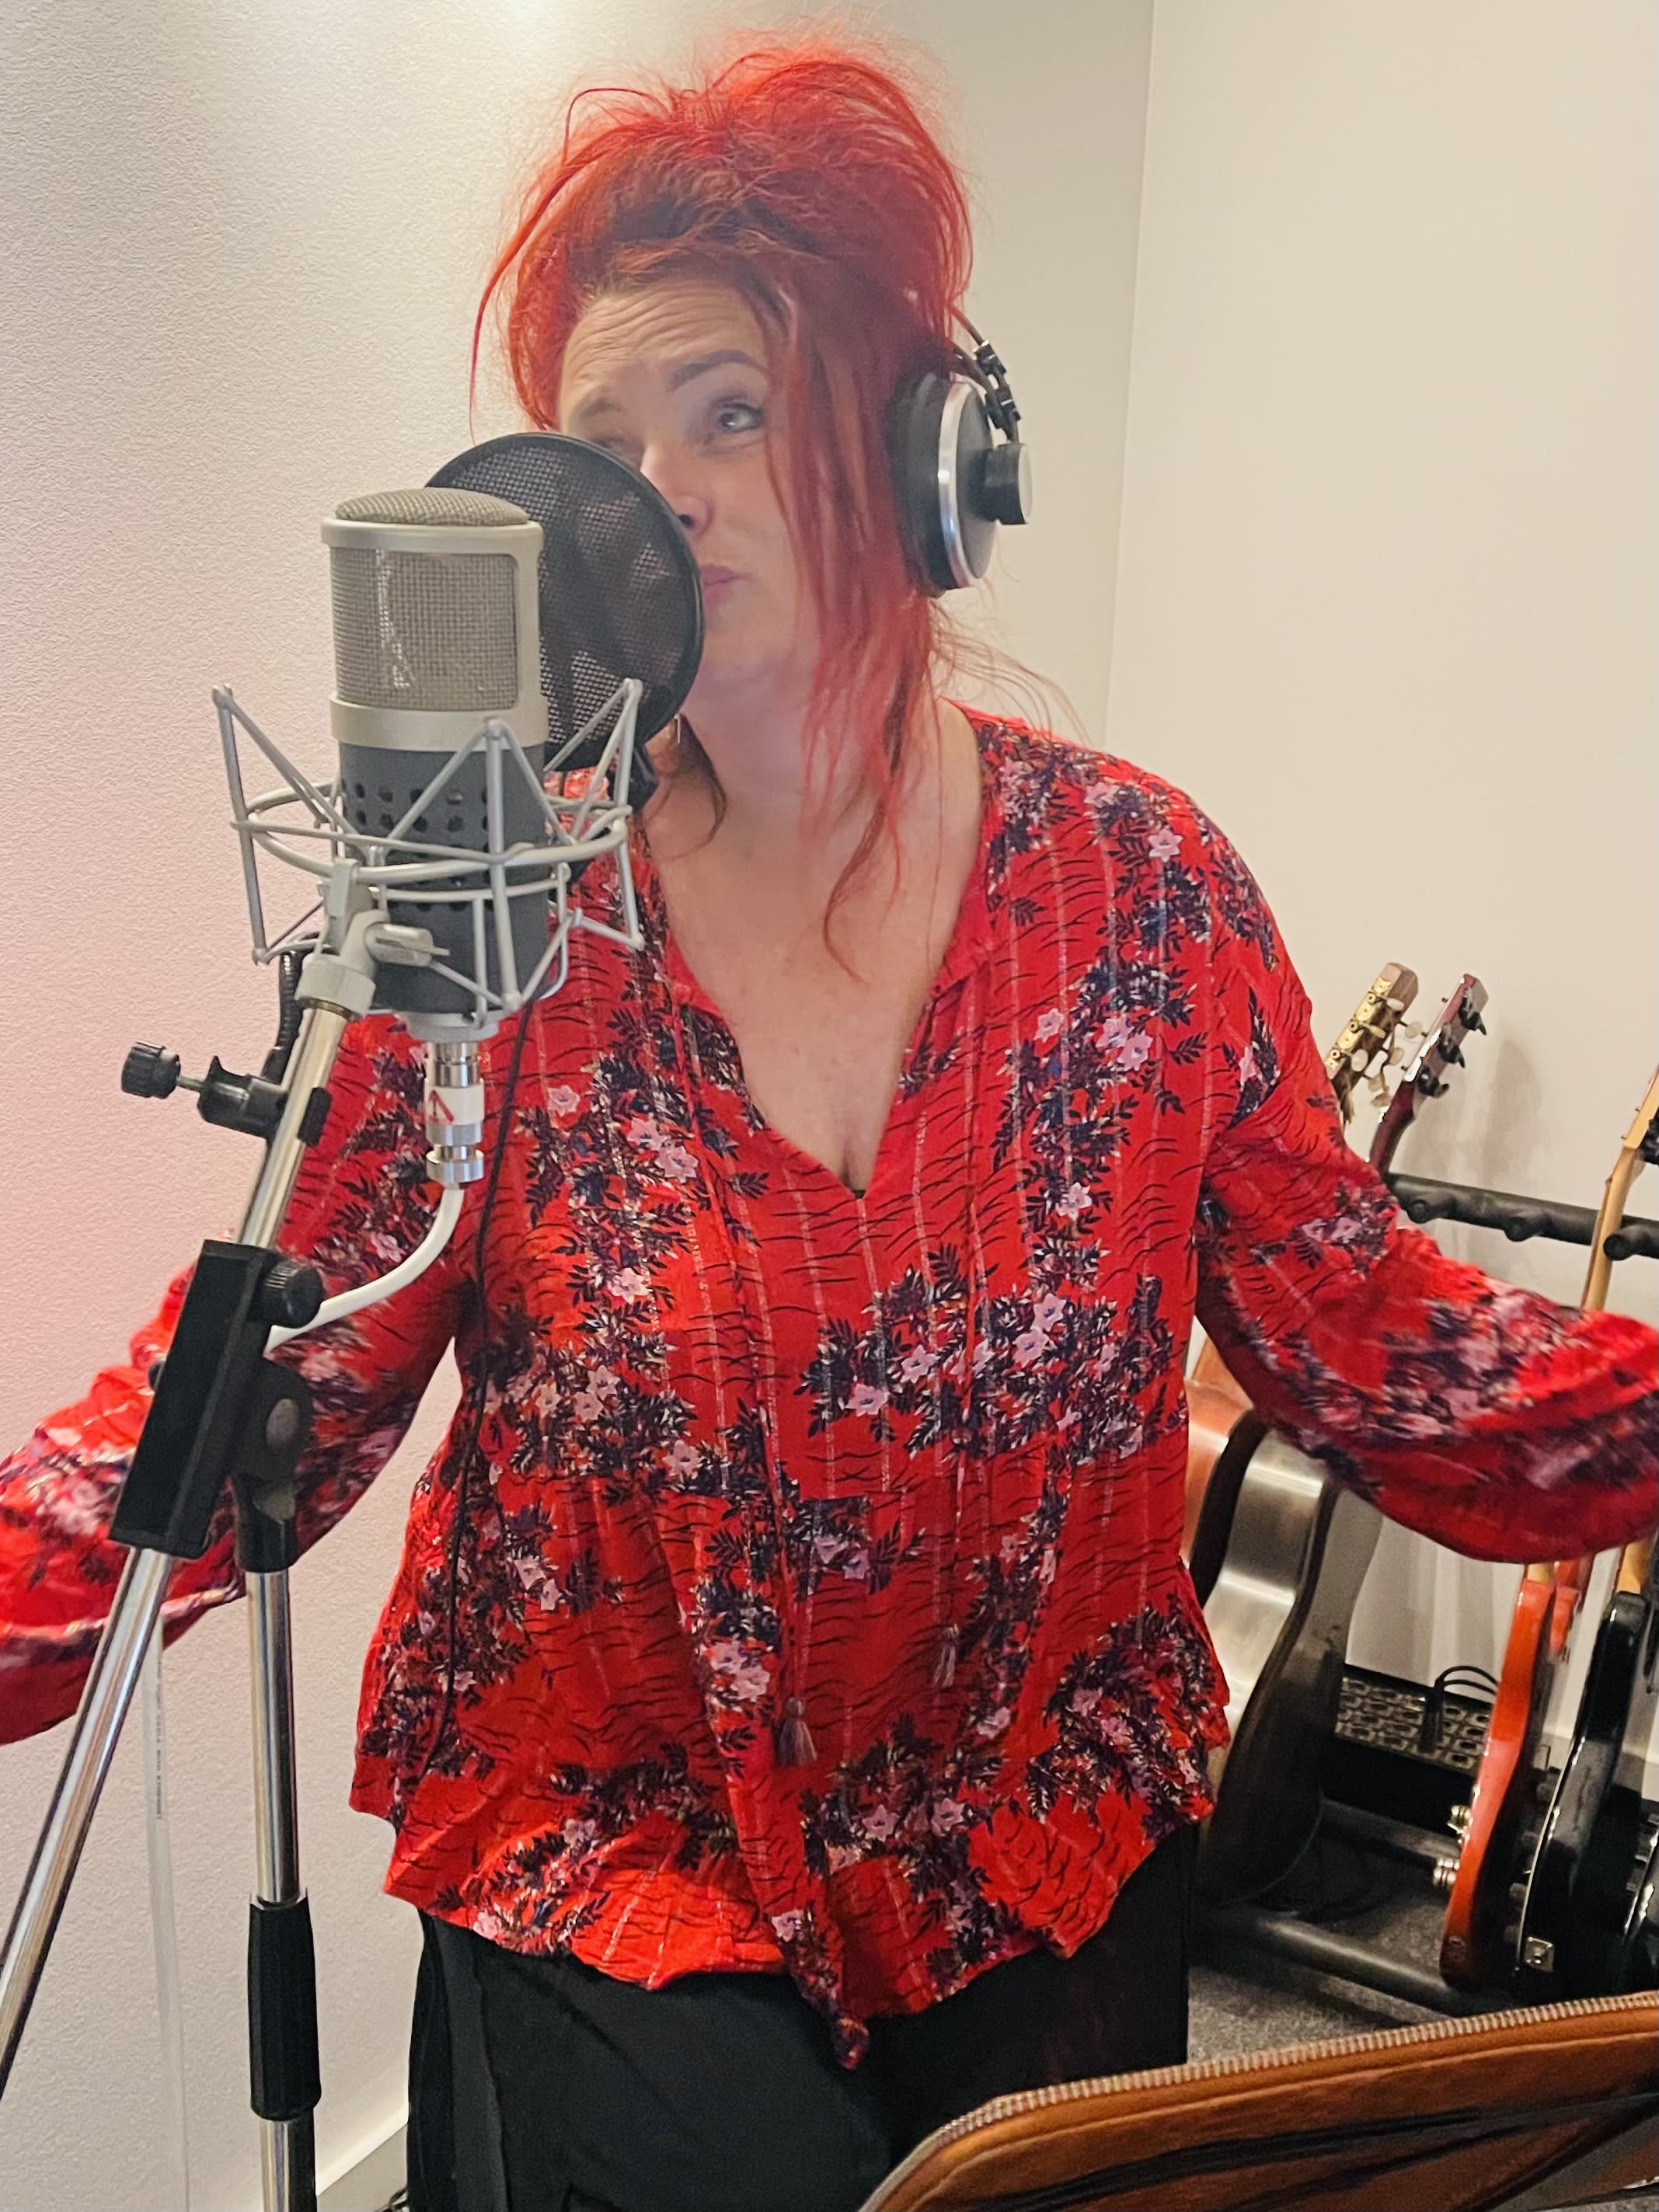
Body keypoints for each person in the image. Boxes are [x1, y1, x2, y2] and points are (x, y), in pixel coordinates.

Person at [2, 37, 1654, 2212]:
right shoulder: (498, 923)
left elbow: (1387, 1354)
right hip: (616, 1841)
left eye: (731, 411)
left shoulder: (1144, 900)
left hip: (1041, 1820)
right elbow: (258, 1402)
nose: (660, 491)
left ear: (916, 460)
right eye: (606, 439)